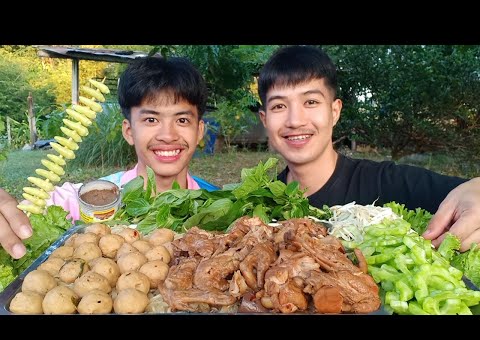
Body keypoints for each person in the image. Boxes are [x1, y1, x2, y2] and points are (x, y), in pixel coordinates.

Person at [257, 45, 480, 252]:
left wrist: (476, 188)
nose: (295, 120)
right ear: (265, 120)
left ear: (334, 111)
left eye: (311, 102)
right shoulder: (259, 207)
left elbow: (467, 194)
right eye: (279, 106)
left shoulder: (387, 183)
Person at [0, 56, 218, 259]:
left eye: (182, 120)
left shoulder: (219, 206)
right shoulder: (82, 202)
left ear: (199, 131)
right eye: (151, 120)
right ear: (129, 131)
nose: (168, 136)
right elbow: (23, 215)